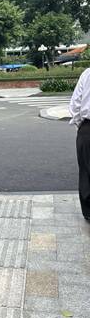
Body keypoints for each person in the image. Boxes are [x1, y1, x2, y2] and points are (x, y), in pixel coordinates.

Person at [69, 67, 90, 220]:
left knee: (86, 171)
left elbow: (75, 104)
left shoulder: (87, 73)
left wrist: (80, 125)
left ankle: (89, 212)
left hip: (88, 128)